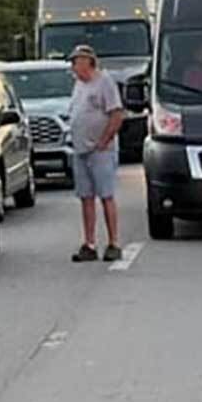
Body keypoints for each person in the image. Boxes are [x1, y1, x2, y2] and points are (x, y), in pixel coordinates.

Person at [66, 45, 126, 263]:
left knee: (106, 195)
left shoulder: (104, 82)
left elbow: (117, 114)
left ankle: (113, 242)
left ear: (87, 62)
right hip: (81, 149)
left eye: (76, 62)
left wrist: (104, 140)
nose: (73, 67)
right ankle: (89, 243)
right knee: (86, 197)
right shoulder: (78, 85)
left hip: (100, 150)